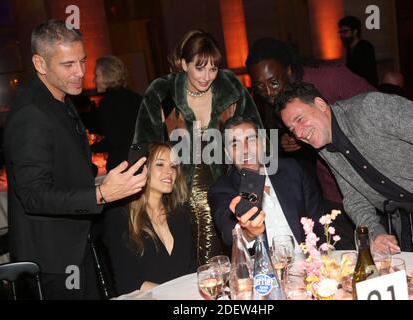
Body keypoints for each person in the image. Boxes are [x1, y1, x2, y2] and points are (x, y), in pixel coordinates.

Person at [3, 20, 148, 299]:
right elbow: (33, 194)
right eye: (68, 65)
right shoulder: (31, 113)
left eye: (82, 61)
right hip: (53, 262)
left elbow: (64, 173)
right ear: (40, 63)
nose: (80, 72)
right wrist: (101, 194)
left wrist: (103, 181)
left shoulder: (59, 98)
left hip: (74, 248)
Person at [132, 30, 263, 265]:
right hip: (177, 184)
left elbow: (256, 133)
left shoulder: (229, 87)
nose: (207, 76)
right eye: (199, 68)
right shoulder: (163, 92)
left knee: (236, 245)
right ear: (183, 64)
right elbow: (144, 146)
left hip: (228, 181)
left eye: (213, 68)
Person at [276, 82, 413, 254]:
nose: (298, 134)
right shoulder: (324, 146)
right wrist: (374, 233)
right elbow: (354, 198)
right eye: (292, 129)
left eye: (300, 119)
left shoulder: (370, 108)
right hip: (412, 223)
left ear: (320, 104)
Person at [245, 37, 376, 249]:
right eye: (260, 87)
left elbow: (377, 107)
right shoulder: (272, 101)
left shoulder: (330, 78)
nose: (268, 92)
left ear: (289, 71)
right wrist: (292, 142)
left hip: (374, 181)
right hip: (335, 191)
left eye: (273, 82)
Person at [208, 116, 324, 249]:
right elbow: (228, 233)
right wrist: (247, 233)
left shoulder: (292, 169)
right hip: (264, 267)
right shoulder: (222, 189)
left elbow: (318, 219)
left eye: (251, 140)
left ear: (263, 143)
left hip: (308, 261)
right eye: (235, 144)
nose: (245, 150)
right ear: (227, 154)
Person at [102, 142, 195, 295]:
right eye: (160, 164)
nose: (169, 172)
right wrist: (174, 294)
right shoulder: (121, 218)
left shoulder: (181, 214)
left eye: (173, 166)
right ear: (142, 169)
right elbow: (128, 283)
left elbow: (191, 268)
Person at [91, 55, 142, 172]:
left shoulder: (107, 102)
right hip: (141, 162)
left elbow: (113, 141)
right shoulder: (137, 98)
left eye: (96, 75)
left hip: (122, 167)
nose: (94, 80)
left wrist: (89, 149)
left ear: (107, 76)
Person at [338, 16, 378, 87]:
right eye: (341, 32)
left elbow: (365, 72)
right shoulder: (350, 48)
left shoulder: (365, 46)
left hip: (366, 87)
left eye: (345, 31)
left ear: (355, 31)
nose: (342, 35)